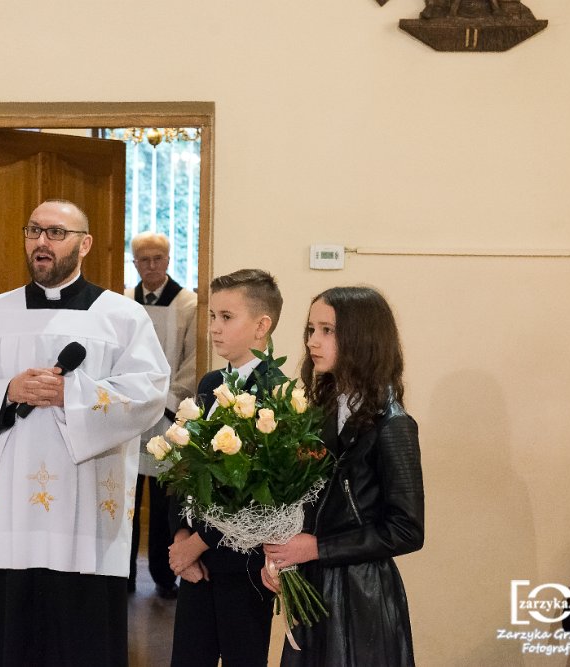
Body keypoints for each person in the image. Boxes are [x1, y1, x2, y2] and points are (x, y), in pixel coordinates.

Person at [0, 199, 170, 667]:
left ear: (85, 244)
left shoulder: (122, 316)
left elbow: (148, 394)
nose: (42, 241)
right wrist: (7, 391)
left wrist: (72, 394)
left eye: (56, 232)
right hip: (12, 515)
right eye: (34, 231)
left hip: (87, 514)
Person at [262, 286, 425, 667]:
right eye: (311, 329)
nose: (312, 341)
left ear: (361, 338)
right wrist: (281, 558)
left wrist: (317, 548)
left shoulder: (393, 424)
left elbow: (407, 530)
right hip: (315, 585)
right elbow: (310, 502)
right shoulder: (319, 411)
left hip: (361, 594)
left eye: (327, 330)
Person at [167, 268, 283, 667]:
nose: (214, 328)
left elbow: (259, 491)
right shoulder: (210, 383)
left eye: (227, 317)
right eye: (213, 316)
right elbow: (185, 466)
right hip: (196, 562)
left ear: (261, 326)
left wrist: (198, 543)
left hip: (241, 564)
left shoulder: (277, 393)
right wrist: (182, 536)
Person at [125, 231, 198, 599]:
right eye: (144, 259)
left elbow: (193, 358)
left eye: (158, 258)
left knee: (165, 502)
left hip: (169, 416)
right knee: (126, 499)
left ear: (168, 260)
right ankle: (123, 574)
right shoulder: (124, 301)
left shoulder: (188, 304)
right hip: (130, 415)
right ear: (135, 263)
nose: (151, 266)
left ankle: (163, 575)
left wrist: (167, 400)